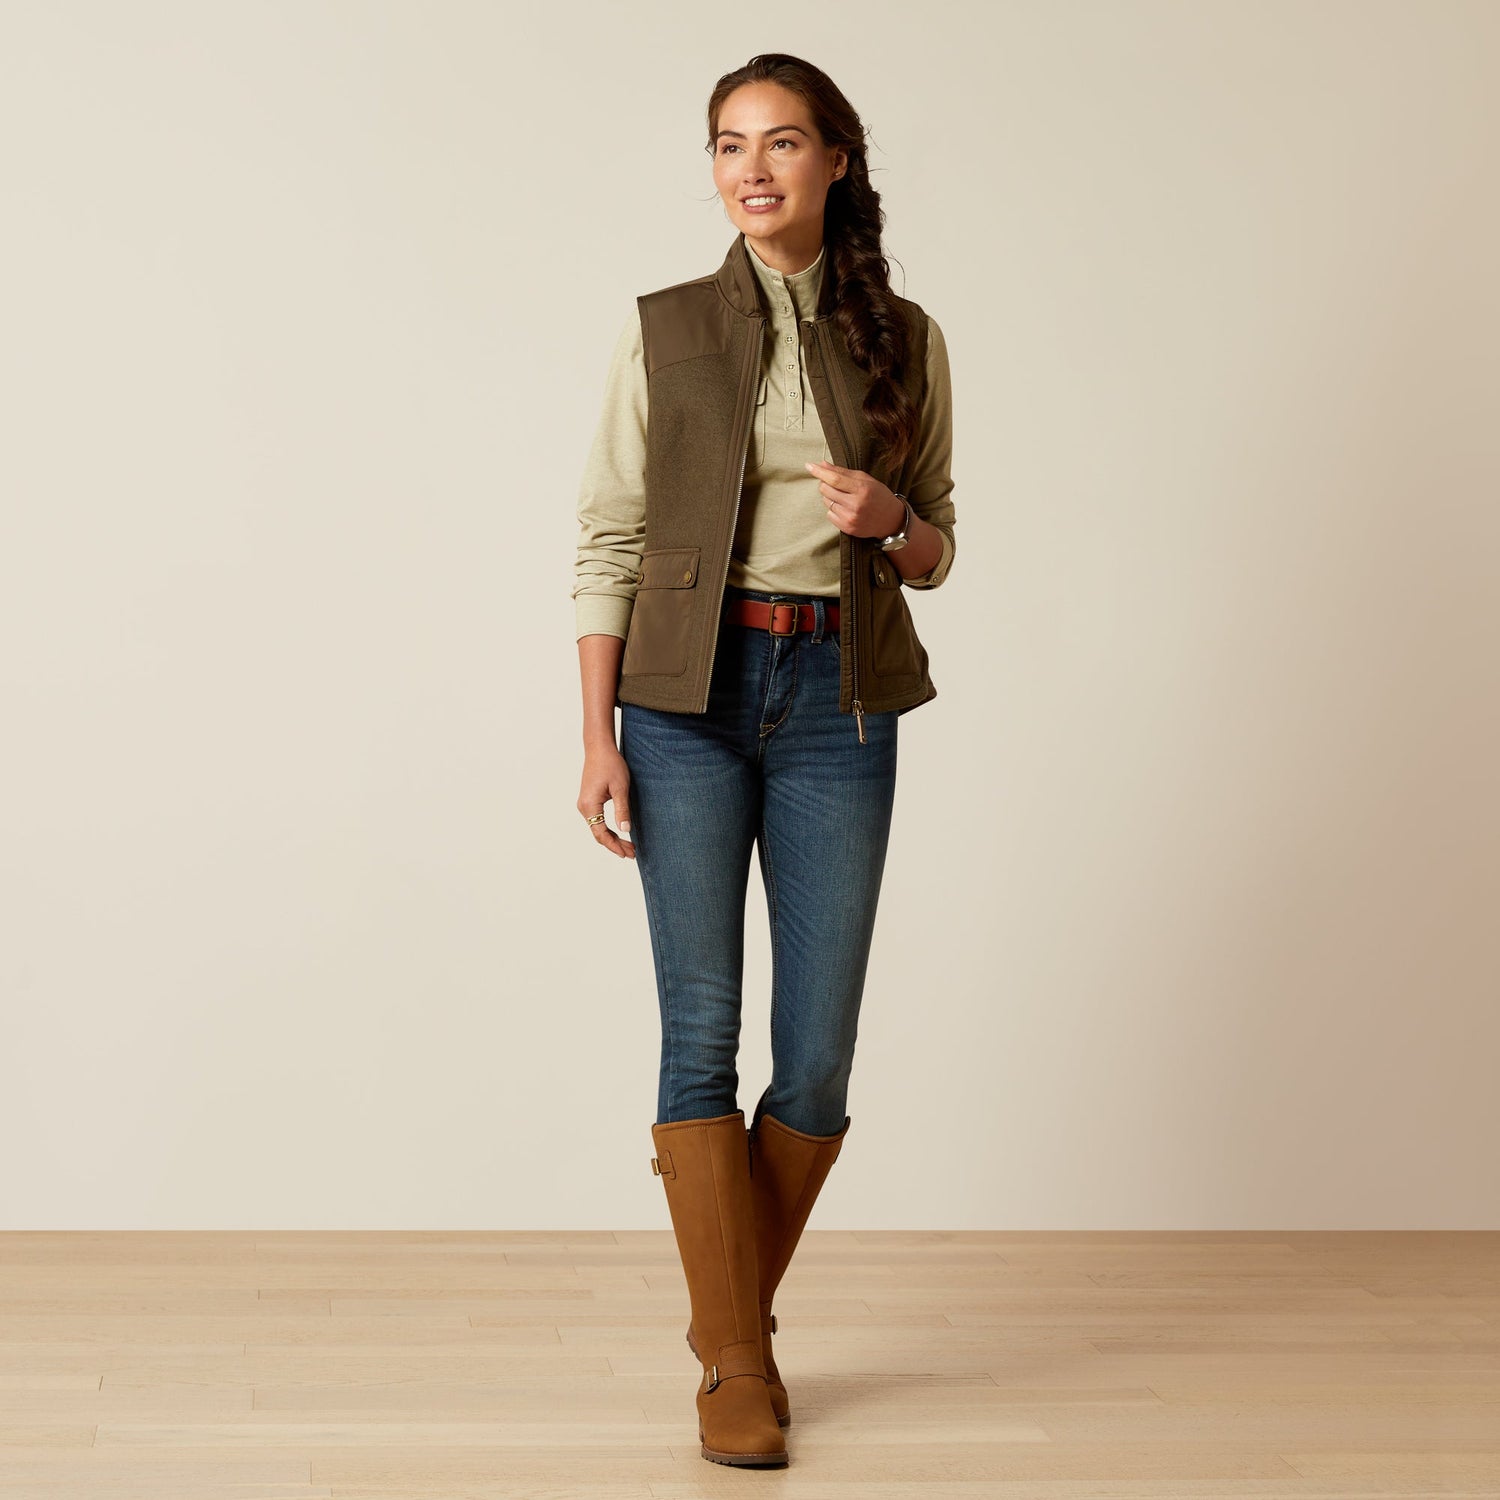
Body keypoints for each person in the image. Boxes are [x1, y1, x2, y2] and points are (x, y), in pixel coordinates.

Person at [571, 53, 957, 1468]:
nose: (753, 168)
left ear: (835, 161)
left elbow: (940, 548)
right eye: (731, 145)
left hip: (838, 701)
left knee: (819, 1055)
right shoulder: (666, 329)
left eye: (782, 142)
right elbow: (609, 537)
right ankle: (738, 1360)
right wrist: (597, 735)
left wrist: (888, 518)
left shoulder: (905, 339)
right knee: (699, 1031)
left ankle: (726, 1319)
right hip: (686, 702)